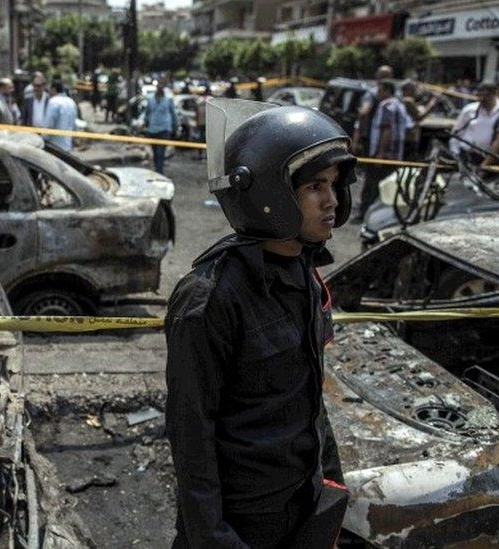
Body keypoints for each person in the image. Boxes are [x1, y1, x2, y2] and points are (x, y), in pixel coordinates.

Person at [166, 99, 352, 548]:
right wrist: (213, 538)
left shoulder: (304, 273)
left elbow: (309, 398)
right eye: (314, 187)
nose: (330, 200)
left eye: (333, 184)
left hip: (301, 505)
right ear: (268, 194)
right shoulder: (209, 298)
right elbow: (192, 436)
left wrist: (331, 484)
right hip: (244, 520)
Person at [356, 80, 409, 221]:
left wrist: (380, 152)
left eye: (380, 90)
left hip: (383, 155)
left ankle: (366, 215)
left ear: (386, 90)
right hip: (395, 155)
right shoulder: (400, 105)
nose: (378, 94)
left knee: (372, 185)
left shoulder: (386, 105)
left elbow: (387, 130)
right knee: (387, 186)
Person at [448, 82, 499, 165]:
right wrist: (455, 153)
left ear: (494, 94)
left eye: (486, 96)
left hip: (490, 157)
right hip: (467, 155)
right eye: (479, 96)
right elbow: (456, 132)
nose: (482, 99)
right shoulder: (470, 110)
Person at [351, 65, 393, 154]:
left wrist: (356, 140)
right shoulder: (396, 94)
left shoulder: (372, 93)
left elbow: (363, 113)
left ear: (376, 76)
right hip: (390, 142)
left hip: (373, 140)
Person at [144, 84, 177, 174]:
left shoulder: (168, 100)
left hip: (164, 129)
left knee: (160, 152)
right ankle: (158, 169)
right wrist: (146, 124)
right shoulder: (150, 100)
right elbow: (147, 113)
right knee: (155, 152)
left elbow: (173, 114)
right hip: (152, 129)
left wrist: (175, 126)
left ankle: (159, 172)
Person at [400, 81, 437, 160]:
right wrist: (432, 104)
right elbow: (419, 117)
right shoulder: (407, 100)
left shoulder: (406, 100)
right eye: (413, 89)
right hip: (409, 136)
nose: (415, 91)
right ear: (407, 90)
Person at [44, 81, 79, 151]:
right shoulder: (71, 102)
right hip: (68, 144)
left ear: (53, 89)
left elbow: (49, 123)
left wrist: (44, 138)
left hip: (54, 145)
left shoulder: (53, 102)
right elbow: (74, 123)